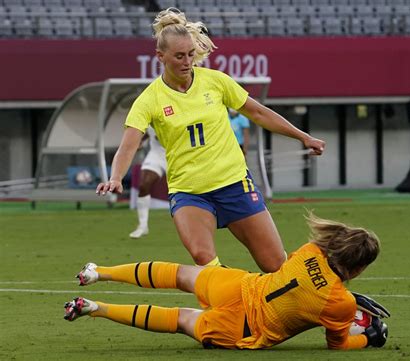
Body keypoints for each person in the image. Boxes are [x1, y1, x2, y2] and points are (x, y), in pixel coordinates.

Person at [95, 8, 325, 272]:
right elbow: (129, 144)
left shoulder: (215, 82)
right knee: (203, 258)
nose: (187, 62)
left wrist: (303, 136)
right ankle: (234, 301)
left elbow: (258, 112)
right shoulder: (149, 99)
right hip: (190, 192)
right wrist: (115, 177)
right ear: (161, 56)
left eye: (191, 54)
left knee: (275, 265)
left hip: (234, 183)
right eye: (179, 56)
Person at [64, 213, 388, 350]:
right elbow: (338, 344)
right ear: (358, 269)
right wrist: (370, 337)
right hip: (245, 327)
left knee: (181, 275)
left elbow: (298, 278)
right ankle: (97, 308)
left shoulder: (311, 250)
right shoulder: (340, 304)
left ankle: (100, 271)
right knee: (181, 319)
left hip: (239, 285)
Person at [129, 126, 167, 239]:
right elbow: (146, 130)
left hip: (179, 155)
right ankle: (143, 225)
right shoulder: (149, 110)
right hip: (157, 154)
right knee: (144, 185)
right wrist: (140, 140)